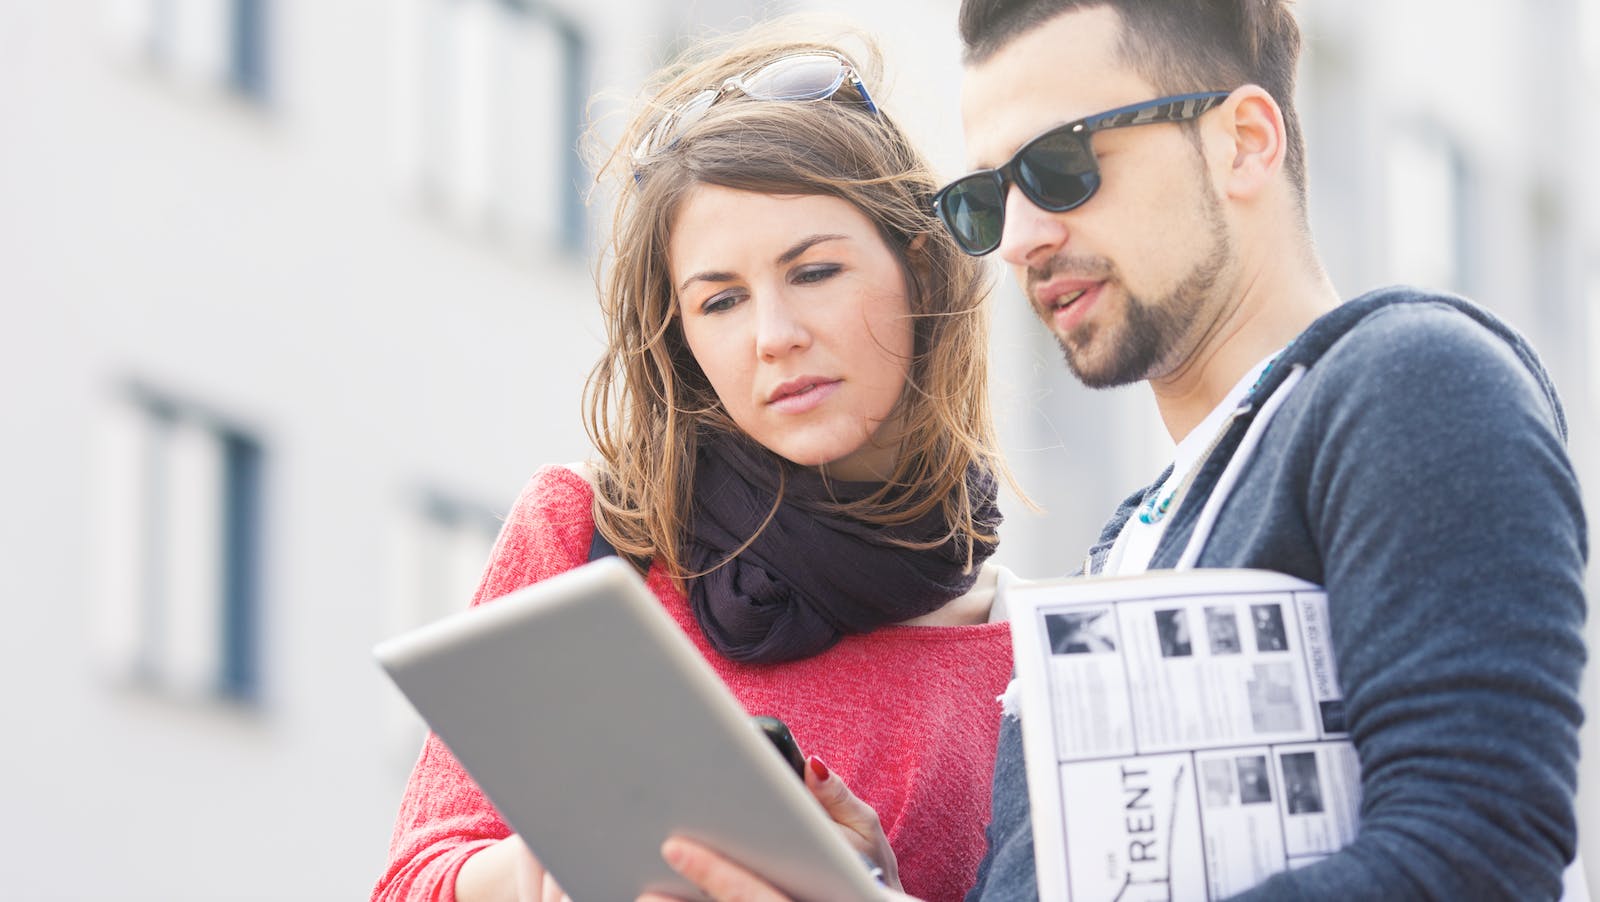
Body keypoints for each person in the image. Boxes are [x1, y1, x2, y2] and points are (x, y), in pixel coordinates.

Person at [651, 1, 1589, 900]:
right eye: (989, 197)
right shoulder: (1130, 545)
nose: (1020, 238)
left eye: (1061, 166)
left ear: (1244, 141)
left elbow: (1474, 861)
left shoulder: (1404, 381)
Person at [372, 26, 1024, 902]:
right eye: (720, 300)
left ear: (920, 269)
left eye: (816, 271)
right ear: (681, 339)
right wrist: (574, 862)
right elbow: (412, 881)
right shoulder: (593, 535)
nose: (774, 337)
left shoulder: (1023, 656)